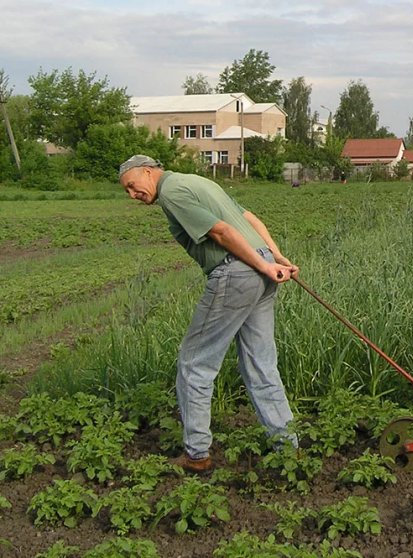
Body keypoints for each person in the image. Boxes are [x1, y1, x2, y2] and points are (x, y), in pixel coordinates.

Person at [118, 155, 299, 473]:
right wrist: (275, 257)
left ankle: (197, 454)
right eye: (127, 193)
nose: (132, 196)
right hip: (260, 270)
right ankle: (288, 448)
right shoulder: (198, 181)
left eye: (132, 186)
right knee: (261, 365)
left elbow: (221, 232)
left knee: (195, 365)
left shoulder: (172, 191)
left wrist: (265, 264)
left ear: (148, 172)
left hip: (238, 273)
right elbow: (249, 218)